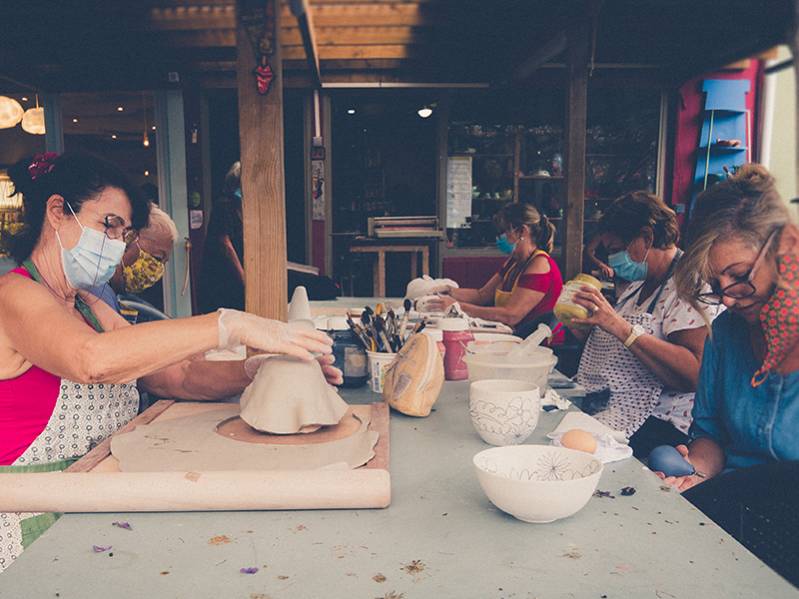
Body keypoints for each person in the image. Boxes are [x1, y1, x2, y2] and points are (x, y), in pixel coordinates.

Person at [0, 152, 340, 571]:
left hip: (95, 508)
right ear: (57, 212)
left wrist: (259, 370)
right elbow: (91, 360)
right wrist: (228, 324)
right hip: (34, 526)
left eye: (123, 234)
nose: (115, 245)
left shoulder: (86, 305)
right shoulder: (13, 296)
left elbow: (176, 377)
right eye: (108, 224)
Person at [662, 164, 799, 491]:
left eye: (740, 276)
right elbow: (712, 437)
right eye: (714, 283)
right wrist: (692, 472)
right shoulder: (723, 333)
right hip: (737, 504)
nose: (727, 298)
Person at [568, 191, 719, 457]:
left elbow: (694, 374)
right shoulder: (637, 286)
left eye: (616, 250)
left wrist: (619, 326)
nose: (611, 261)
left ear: (647, 237)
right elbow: (619, 348)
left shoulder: (689, 287)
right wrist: (584, 326)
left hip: (661, 426)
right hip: (613, 406)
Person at [436, 202, 564, 339]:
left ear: (522, 231)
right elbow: (481, 295)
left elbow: (511, 315)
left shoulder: (539, 264)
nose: (500, 238)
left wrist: (458, 307)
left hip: (535, 345)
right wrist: (446, 291)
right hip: (514, 336)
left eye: (505, 232)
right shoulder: (514, 262)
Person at [88, 204, 178, 312]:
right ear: (128, 237)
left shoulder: (115, 296)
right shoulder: (95, 295)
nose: (158, 269)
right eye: (157, 258)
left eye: (164, 262)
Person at [198, 161, 244, 313]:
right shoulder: (223, 206)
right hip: (221, 277)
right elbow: (226, 245)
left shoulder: (243, 208)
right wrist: (244, 278)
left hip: (234, 277)